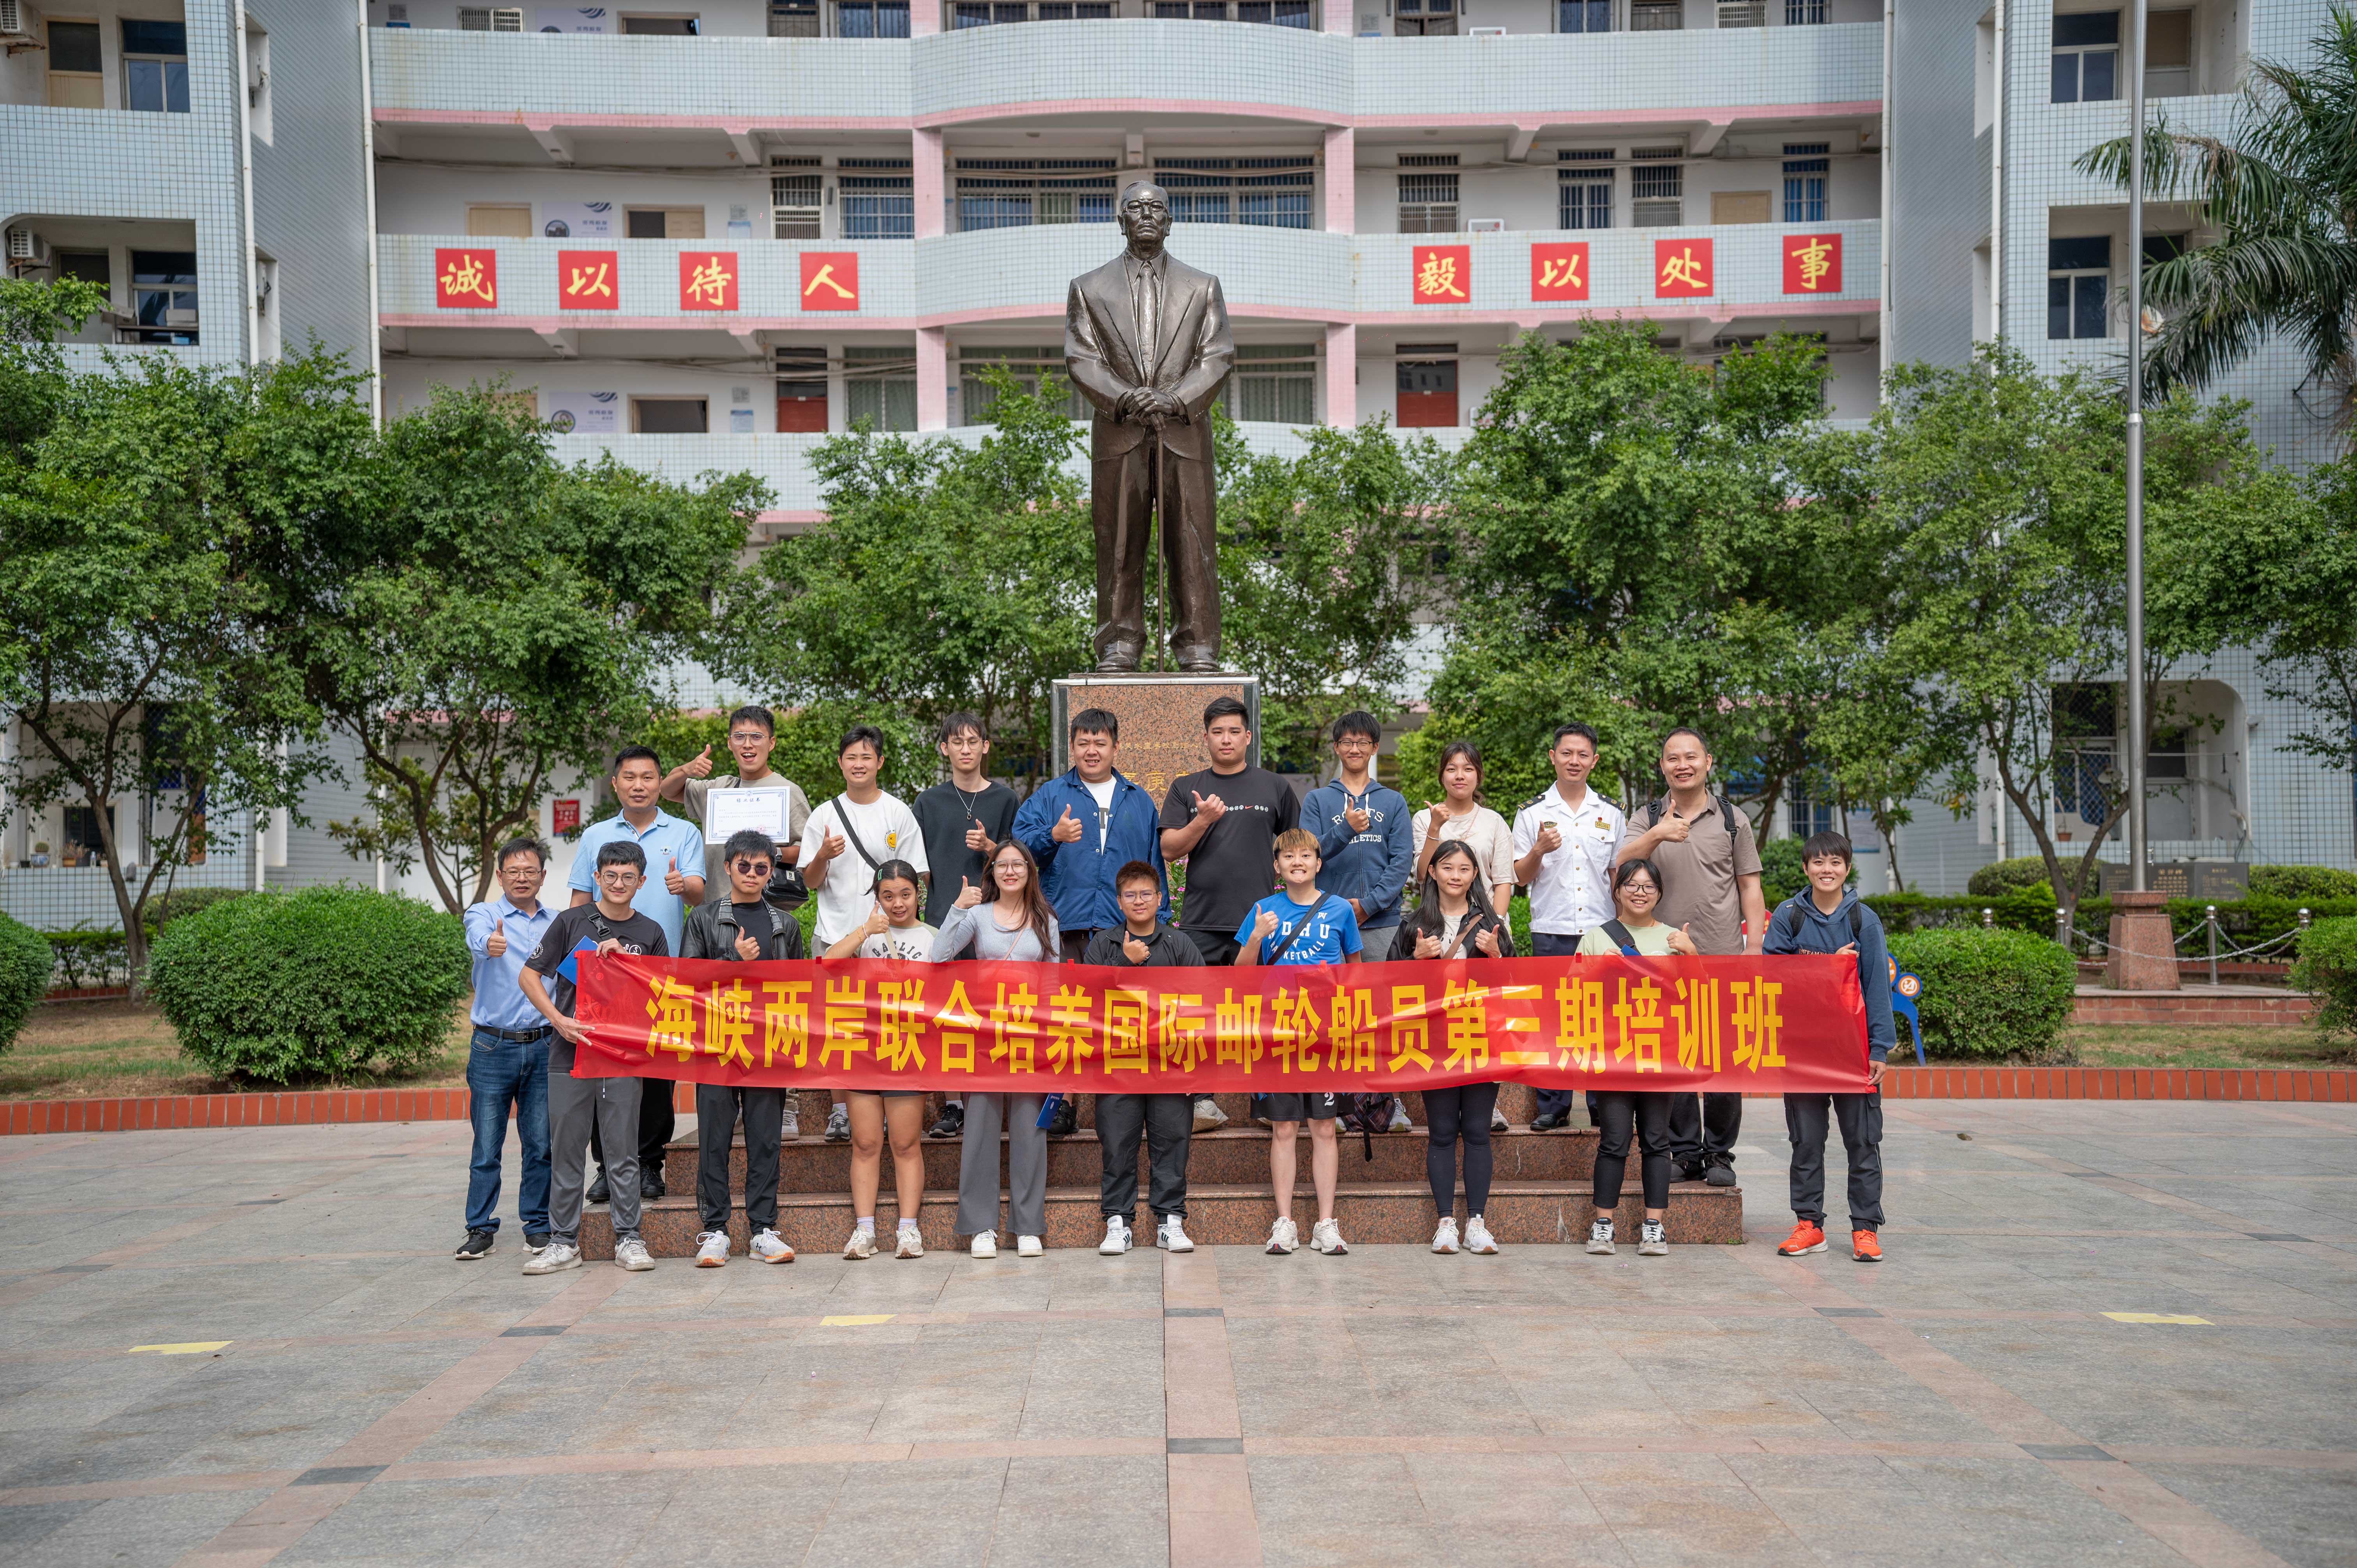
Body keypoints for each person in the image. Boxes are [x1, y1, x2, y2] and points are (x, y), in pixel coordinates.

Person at [1616, 727, 1765, 1188]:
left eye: (1691, 757)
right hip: (1660, 958)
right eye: (1673, 758)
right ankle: (1684, 1154)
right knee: (1674, 1055)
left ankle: (1719, 1153)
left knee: (1723, 1058)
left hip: (1722, 955)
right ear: (1662, 766)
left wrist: (1754, 948)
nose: (1682, 765)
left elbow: (1749, 885)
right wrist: (1659, 833)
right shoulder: (1647, 816)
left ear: (1708, 762)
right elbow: (1620, 865)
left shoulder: (1733, 819)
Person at [663, 704, 813, 1137]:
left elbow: (805, 849)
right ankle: (726, 1101)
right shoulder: (717, 789)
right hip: (718, 918)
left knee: (775, 1011)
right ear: (730, 743)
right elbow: (669, 791)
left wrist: (762, 851)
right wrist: (686, 769)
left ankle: (785, 1103)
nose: (748, 744)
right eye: (740, 737)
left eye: (756, 736)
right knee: (721, 1010)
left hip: (770, 919)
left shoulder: (787, 791)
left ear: (772, 743)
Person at [519, 840, 668, 1275]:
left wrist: (628, 966)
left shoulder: (651, 932)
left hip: (622, 1056)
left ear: (642, 882)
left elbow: (663, 995)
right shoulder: (570, 921)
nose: (619, 884)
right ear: (598, 877)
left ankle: (630, 1239)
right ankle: (564, 1242)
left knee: (623, 1152)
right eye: (611, 876)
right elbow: (529, 976)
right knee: (566, 1151)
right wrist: (558, 1021)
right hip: (569, 1053)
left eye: (628, 877)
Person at [1014, 706, 1161, 1137]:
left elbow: (1154, 866)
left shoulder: (1138, 800)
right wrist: (1052, 836)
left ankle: (1124, 1101)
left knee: (1122, 1016)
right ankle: (1063, 1102)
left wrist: (1161, 924)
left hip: (1122, 929)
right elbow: (1018, 850)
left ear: (1115, 746)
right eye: (1083, 743)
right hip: (1067, 925)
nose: (1092, 751)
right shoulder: (1050, 796)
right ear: (1072, 747)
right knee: (1068, 1016)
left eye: (1100, 742)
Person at [570, 747, 703, 1206]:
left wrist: (683, 885)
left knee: (657, 1075)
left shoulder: (684, 832)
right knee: (603, 1071)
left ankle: (649, 1163)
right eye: (630, 777)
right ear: (616, 784)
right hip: (605, 975)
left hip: (660, 975)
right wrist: (581, 965)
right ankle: (607, 1166)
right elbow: (579, 904)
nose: (639, 785)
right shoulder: (595, 835)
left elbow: (698, 892)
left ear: (661, 782)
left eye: (648, 777)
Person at [1160, 695, 1298, 1134]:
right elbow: (1169, 849)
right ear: (1206, 738)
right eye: (1217, 732)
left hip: (1259, 922)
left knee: (1262, 1013)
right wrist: (1202, 820)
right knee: (1199, 1014)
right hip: (1200, 921)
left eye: (1234, 731)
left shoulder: (1274, 787)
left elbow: (1296, 847)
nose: (1226, 739)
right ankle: (1202, 1100)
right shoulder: (1187, 786)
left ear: (1248, 736)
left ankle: (1268, 1101)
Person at [1766, 831, 1893, 1264]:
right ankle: (1810, 1225)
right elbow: (1774, 978)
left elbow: (1877, 988)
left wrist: (1880, 1048)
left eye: (1835, 862)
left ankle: (1865, 1229)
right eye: (1818, 862)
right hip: (1802, 1050)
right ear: (1805, 868)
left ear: (1847, 868)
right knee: (1806, 1142)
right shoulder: (1788, 917)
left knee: (1863, 1142)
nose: (1827, 869)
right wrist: (1827, 967)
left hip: (1853, 1051)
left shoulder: (1864, 920)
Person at [680, 829, 805, 1268]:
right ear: (728, 867)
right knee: (714, 1139)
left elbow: (800, 989)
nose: (752, 874)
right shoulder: (702, 918)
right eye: (744, 866)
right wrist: (734, 961)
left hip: (768, 1044)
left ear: (771, 872)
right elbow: (688, 982)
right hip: (717, 1042)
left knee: (766, 1139)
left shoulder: (786, 924)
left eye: (761, 867)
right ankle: (715, 1230)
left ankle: (762, 1230)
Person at [933, 839, 1062, 1259]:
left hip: (1029, 1035)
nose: (1010, 871)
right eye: (1002, 865)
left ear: (1029, 871)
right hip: (984, 1037)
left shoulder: (1046, 919)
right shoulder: (977, 915)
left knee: (1030, 1132)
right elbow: (939, 956)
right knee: (980, 1131)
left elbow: (1053, 983)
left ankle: (1028, 1226)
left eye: (1018, 864)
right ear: (992, 873)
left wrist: (1050, 1037)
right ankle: (981, 1227)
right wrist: (957, 907)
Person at [1237, 827, 1362, 1257]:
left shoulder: (1339, 909)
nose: (1298, 862)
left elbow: (1356, 972)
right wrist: (1257, 936)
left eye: (1306, 855)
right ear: (1277, 866)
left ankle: (1326, 1223)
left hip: (1324, 1035)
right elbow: (1240, 975)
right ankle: (1285, 1222)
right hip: (1277, 1035)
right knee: (1285, 1127)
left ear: (1318, 863)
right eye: (1289, 857)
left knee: (1324, 1127)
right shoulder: (1263, 910)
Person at [800, 724, 928, 1143]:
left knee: (889, 1024)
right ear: (840, 763)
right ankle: (841, 1111)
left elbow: (917, 875)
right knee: (838, 1027)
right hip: (836, 936)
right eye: (851, 757)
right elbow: (810, 882)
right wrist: (822, 855)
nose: (859, 764)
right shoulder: (823, 814)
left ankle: (888, 1106)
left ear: (880, 762)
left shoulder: (898, 812)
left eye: (866, 757)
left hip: (888, 940)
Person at [1083, 860, 1206, 1255]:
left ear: (1160, 899)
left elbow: (1201, 998)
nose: (1139, 901)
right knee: (1117, 1142)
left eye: (1146, 894)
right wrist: (1126, 961)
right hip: (1117, 1063)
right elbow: (1087, 999)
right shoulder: (1103, 944)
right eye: (1131, 895)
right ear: (1119, 901)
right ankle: (1118, 1222)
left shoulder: (1178, 944)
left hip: (1170, 1062)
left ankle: (1170, 1221)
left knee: (1172, 1140)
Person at [1577, 857, 1698, 1259]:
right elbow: (1572, 994)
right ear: (1617, 891)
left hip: (1659, 1055)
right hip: (1612, 1055)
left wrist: (1692, 953)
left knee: (1656, 1140)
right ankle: (1603, 1225)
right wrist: (1600, 972)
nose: (1640, 893)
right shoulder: (1596, 939)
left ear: (1659, 893)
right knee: (1613, 1140)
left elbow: (1698, 996)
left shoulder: (1673, 938)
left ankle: (1654, 1226)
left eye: (1648, 886)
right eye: (1631, 885)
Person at [1400, 839, 1514, 1257]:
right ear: (1432, 872)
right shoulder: (1414, 924)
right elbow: (1390, 990)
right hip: (1435, 1043)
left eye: (1464, 869)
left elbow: (1515, 985)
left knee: (1479, 1132)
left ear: (1475, 875)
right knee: (1443, 1132)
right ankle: (1446, 1222)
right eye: (1447, 867)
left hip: (1482, 1038)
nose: (1455, 875)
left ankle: (1477, 1223)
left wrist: (1496, 955)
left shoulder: (1491, 922)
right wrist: (1416, 961)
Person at [1512, 723, 1627, 1132]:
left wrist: (1624, 930)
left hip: (1601, 931)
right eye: (1567, 753)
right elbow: (1519, 877)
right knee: (1553, 1020)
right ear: (1553, 757)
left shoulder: (1611, 813)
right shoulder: (1531, 813)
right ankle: (1554, 1105)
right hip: (1552, 928)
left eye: (1582, 755)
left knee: (1602, 1020)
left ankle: (1602, 1103)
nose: (1574, 761)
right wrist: (1538, 850)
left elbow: (1617, 876)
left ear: (1594, 761)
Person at [823, 859, 936, 1259]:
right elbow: (828, 965)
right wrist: (864, 931)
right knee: (866, 1143)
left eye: (905, 894)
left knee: (905, 1143)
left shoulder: (934, 938)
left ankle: (908, 1229)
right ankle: (864, 1230)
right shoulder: (868, 935)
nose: (898, 903)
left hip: (908, 1050)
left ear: (918, 895)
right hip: (865, 1050)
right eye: (888, 896)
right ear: (877, 898)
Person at [913, 712, 1018, 1142]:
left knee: (994, 1011)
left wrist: (991, 847)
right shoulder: (928, 802)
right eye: (957, 742)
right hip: (944, 920)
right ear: (945, 749)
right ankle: (953, 1104)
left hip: (996, 920)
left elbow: (1018, 860)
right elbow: (920, 868)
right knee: (948, 1016)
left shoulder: (1006, 799)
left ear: (986, 746)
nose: (966, 749)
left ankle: (994, 1095)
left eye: (974, 741)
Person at [454, 837, 559, 1263]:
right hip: (492, 1045)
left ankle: (537, 1226)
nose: (521, 878)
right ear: (500, 876)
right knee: (486, 1146)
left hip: (544, 1044)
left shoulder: (558, 922)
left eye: (530, 871)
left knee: (541, 1145)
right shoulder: (484, 914)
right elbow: (478, 938)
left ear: (542, 876)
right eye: (513, 871)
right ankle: (480, 1228)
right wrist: (489, 945)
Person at [1304, 710, 1413, 964]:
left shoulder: (1394, 801)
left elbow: (1401, 861)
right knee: (1332, 989)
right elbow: (1308, 855)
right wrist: (1346, 830)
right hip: (1329, 921)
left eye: (1363, 742)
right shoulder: (1316, 800)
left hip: (1383, 922)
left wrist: (1369, 905)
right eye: (1347, 742)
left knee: (1384, 989)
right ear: (1336, 747)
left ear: (1375, 748)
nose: (1355, 749)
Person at [1410, 742, 1518, 921]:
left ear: (1479, 776)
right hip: (1437, 923)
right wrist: (1435, 827)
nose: (1460, 776)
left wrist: (1495, 925)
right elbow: (1422, 875)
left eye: (1468, 769)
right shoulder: (1425, 819)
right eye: (1451, 770)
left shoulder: (1495, 822)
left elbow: (1503, 882)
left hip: (1486, 923)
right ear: (1442, 777)